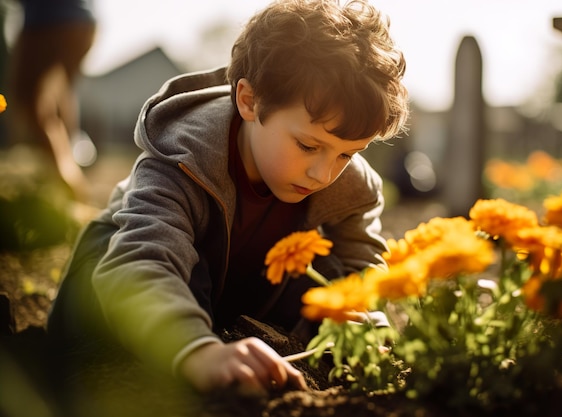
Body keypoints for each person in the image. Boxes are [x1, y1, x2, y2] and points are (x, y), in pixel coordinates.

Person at [47, 0, 409, 396]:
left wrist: (363, 319)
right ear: (249, 101)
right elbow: (141, 259)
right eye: (308, 146)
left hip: (229, 302)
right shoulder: (182, 157)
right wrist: (197, 350)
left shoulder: (348, 185)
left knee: (324, 266)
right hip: (118, 296)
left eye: (347, 154)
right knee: (181, 260)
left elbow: (363, 266)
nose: (323, 173)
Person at [6, 0, 96, 203]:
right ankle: (69, 170)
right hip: (80, 22)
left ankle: (68, 182)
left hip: (47, 24)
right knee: (56, 98)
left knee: (34, 104)